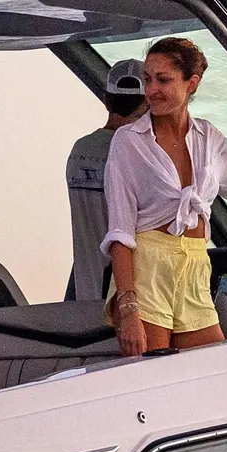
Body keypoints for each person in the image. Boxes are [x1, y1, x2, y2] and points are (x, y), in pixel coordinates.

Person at [104, 35, 227, 357]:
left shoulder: (209, 138)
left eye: (163, 79)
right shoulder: (128, 142)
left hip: (196, 266)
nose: (152, 89)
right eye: (148, 79)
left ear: (191, 83)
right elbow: (120, 232)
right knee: (152, 381)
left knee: (210, 375)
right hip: (148, 269)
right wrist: (127, 307)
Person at [63, 56, 148, 308]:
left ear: (106, 99)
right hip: (128, 299)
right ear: (148, 102)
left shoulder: (80, 150)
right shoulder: (138, 152)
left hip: (85, 297)